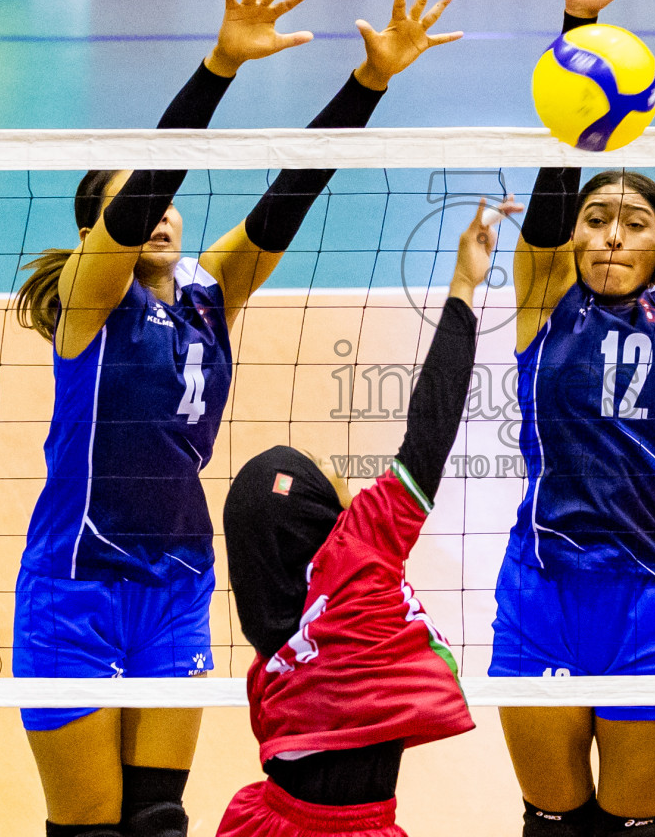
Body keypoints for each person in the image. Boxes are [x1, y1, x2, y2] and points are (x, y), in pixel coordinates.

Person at [10, 0, 459, 837]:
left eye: (172, 204)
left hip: (176, 583)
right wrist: (219, 64)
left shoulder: (208, 295)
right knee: (90, 828)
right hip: (75, 587)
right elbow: (142, 194)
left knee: (158, 821)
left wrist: (368, 83)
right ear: (99, 231)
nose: (163, 215)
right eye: (141, 205)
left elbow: (292, 196)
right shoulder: (88, 303)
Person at [489, 0, 655, 837]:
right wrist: (579, 27)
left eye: (634, 222)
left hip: (653, 604)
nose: (612, 234)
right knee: (551, 826)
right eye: (597, 220)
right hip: (543, 593)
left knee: (637, 831)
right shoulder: (545, 294)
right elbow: (562, 163)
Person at [217, 193, 519, 837]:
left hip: (264, 822)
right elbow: (430, 430)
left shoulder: (269, 645)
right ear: (324, 522)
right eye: (331, 476)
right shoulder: (358, 565)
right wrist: (467, 284)